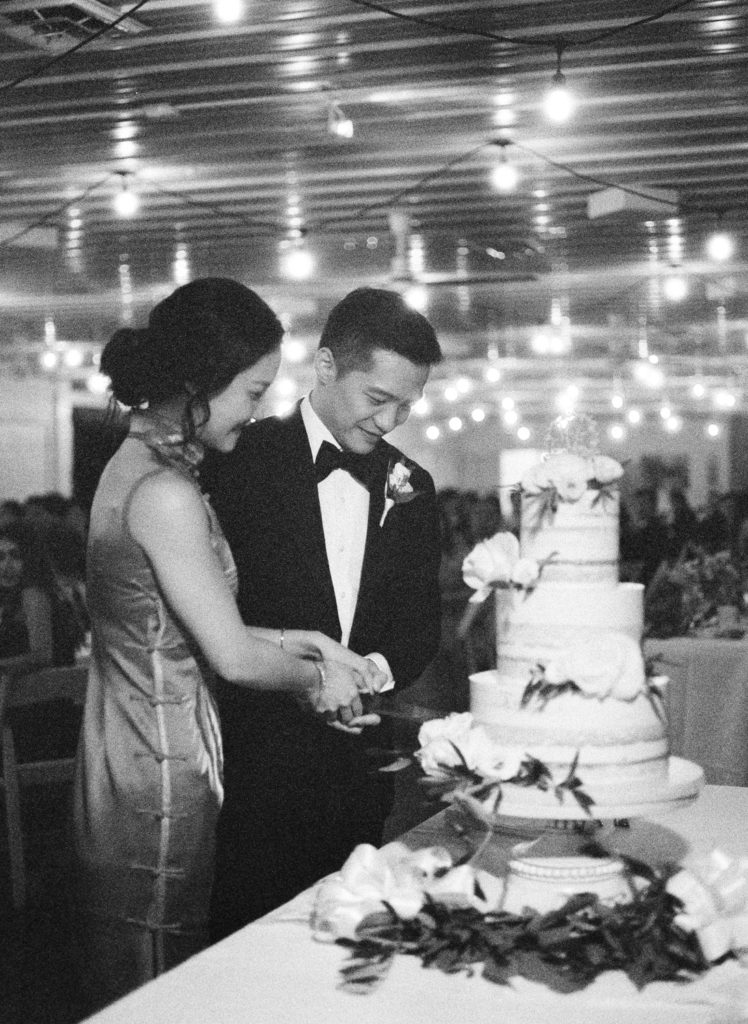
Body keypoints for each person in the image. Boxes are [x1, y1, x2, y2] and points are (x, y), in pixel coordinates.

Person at [72, 278, 384, 1012]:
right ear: (197, 384)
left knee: (152, 969)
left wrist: (311, 643)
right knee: (154, 975)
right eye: (252, 390)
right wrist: (318, 684)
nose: (262, 408)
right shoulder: (166, 493)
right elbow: (235, 658)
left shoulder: (143, 467)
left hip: (136, 744)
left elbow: (192, 622)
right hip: (156, 762)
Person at [202, 286, 443, 939]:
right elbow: (209, 613)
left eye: (407, 405)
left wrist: (373, 672)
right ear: (328, 366)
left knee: (349, 949)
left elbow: (422, 621)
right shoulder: (236, 463)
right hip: (251, 764)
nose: (392, 421)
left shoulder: (412, 488)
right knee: (247, 949)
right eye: (378, 399)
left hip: (358, 774)